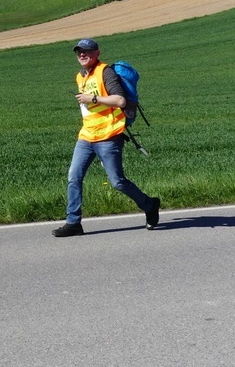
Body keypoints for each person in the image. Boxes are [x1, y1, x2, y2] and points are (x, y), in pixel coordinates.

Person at [52, 38, 160, 237]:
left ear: (97, 53)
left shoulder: (105, 72)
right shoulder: (80, 76)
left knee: (117, 182)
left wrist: (91, 98)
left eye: (86, 51)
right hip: (86, 136)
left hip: (109, 136)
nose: (82, 55)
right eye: (79, 52)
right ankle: (73, 222)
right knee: (73, 177)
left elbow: (119, 100)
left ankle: (150, 204)